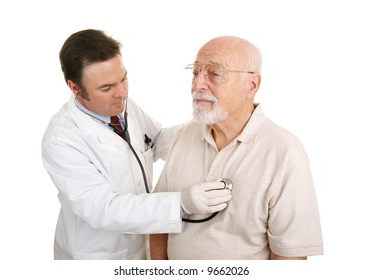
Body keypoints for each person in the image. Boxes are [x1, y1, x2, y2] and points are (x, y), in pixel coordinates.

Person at [41, 29, 232, 260]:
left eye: (123, 78)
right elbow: (104, 209)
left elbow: (155, 141)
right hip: (97, 256)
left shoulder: (120, 103)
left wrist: (202, 124)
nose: (121, 93)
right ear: (75, 88)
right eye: (106, 87)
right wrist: (181, 204)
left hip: (141, 246)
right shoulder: (61, 140)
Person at [150, 36, 324, 260]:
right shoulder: (184, 135)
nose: (197, 85)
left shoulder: (284, 151)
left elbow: (289, 258)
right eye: (195, 73)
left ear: (252, 85)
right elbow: (158, 219)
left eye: (214, 73)